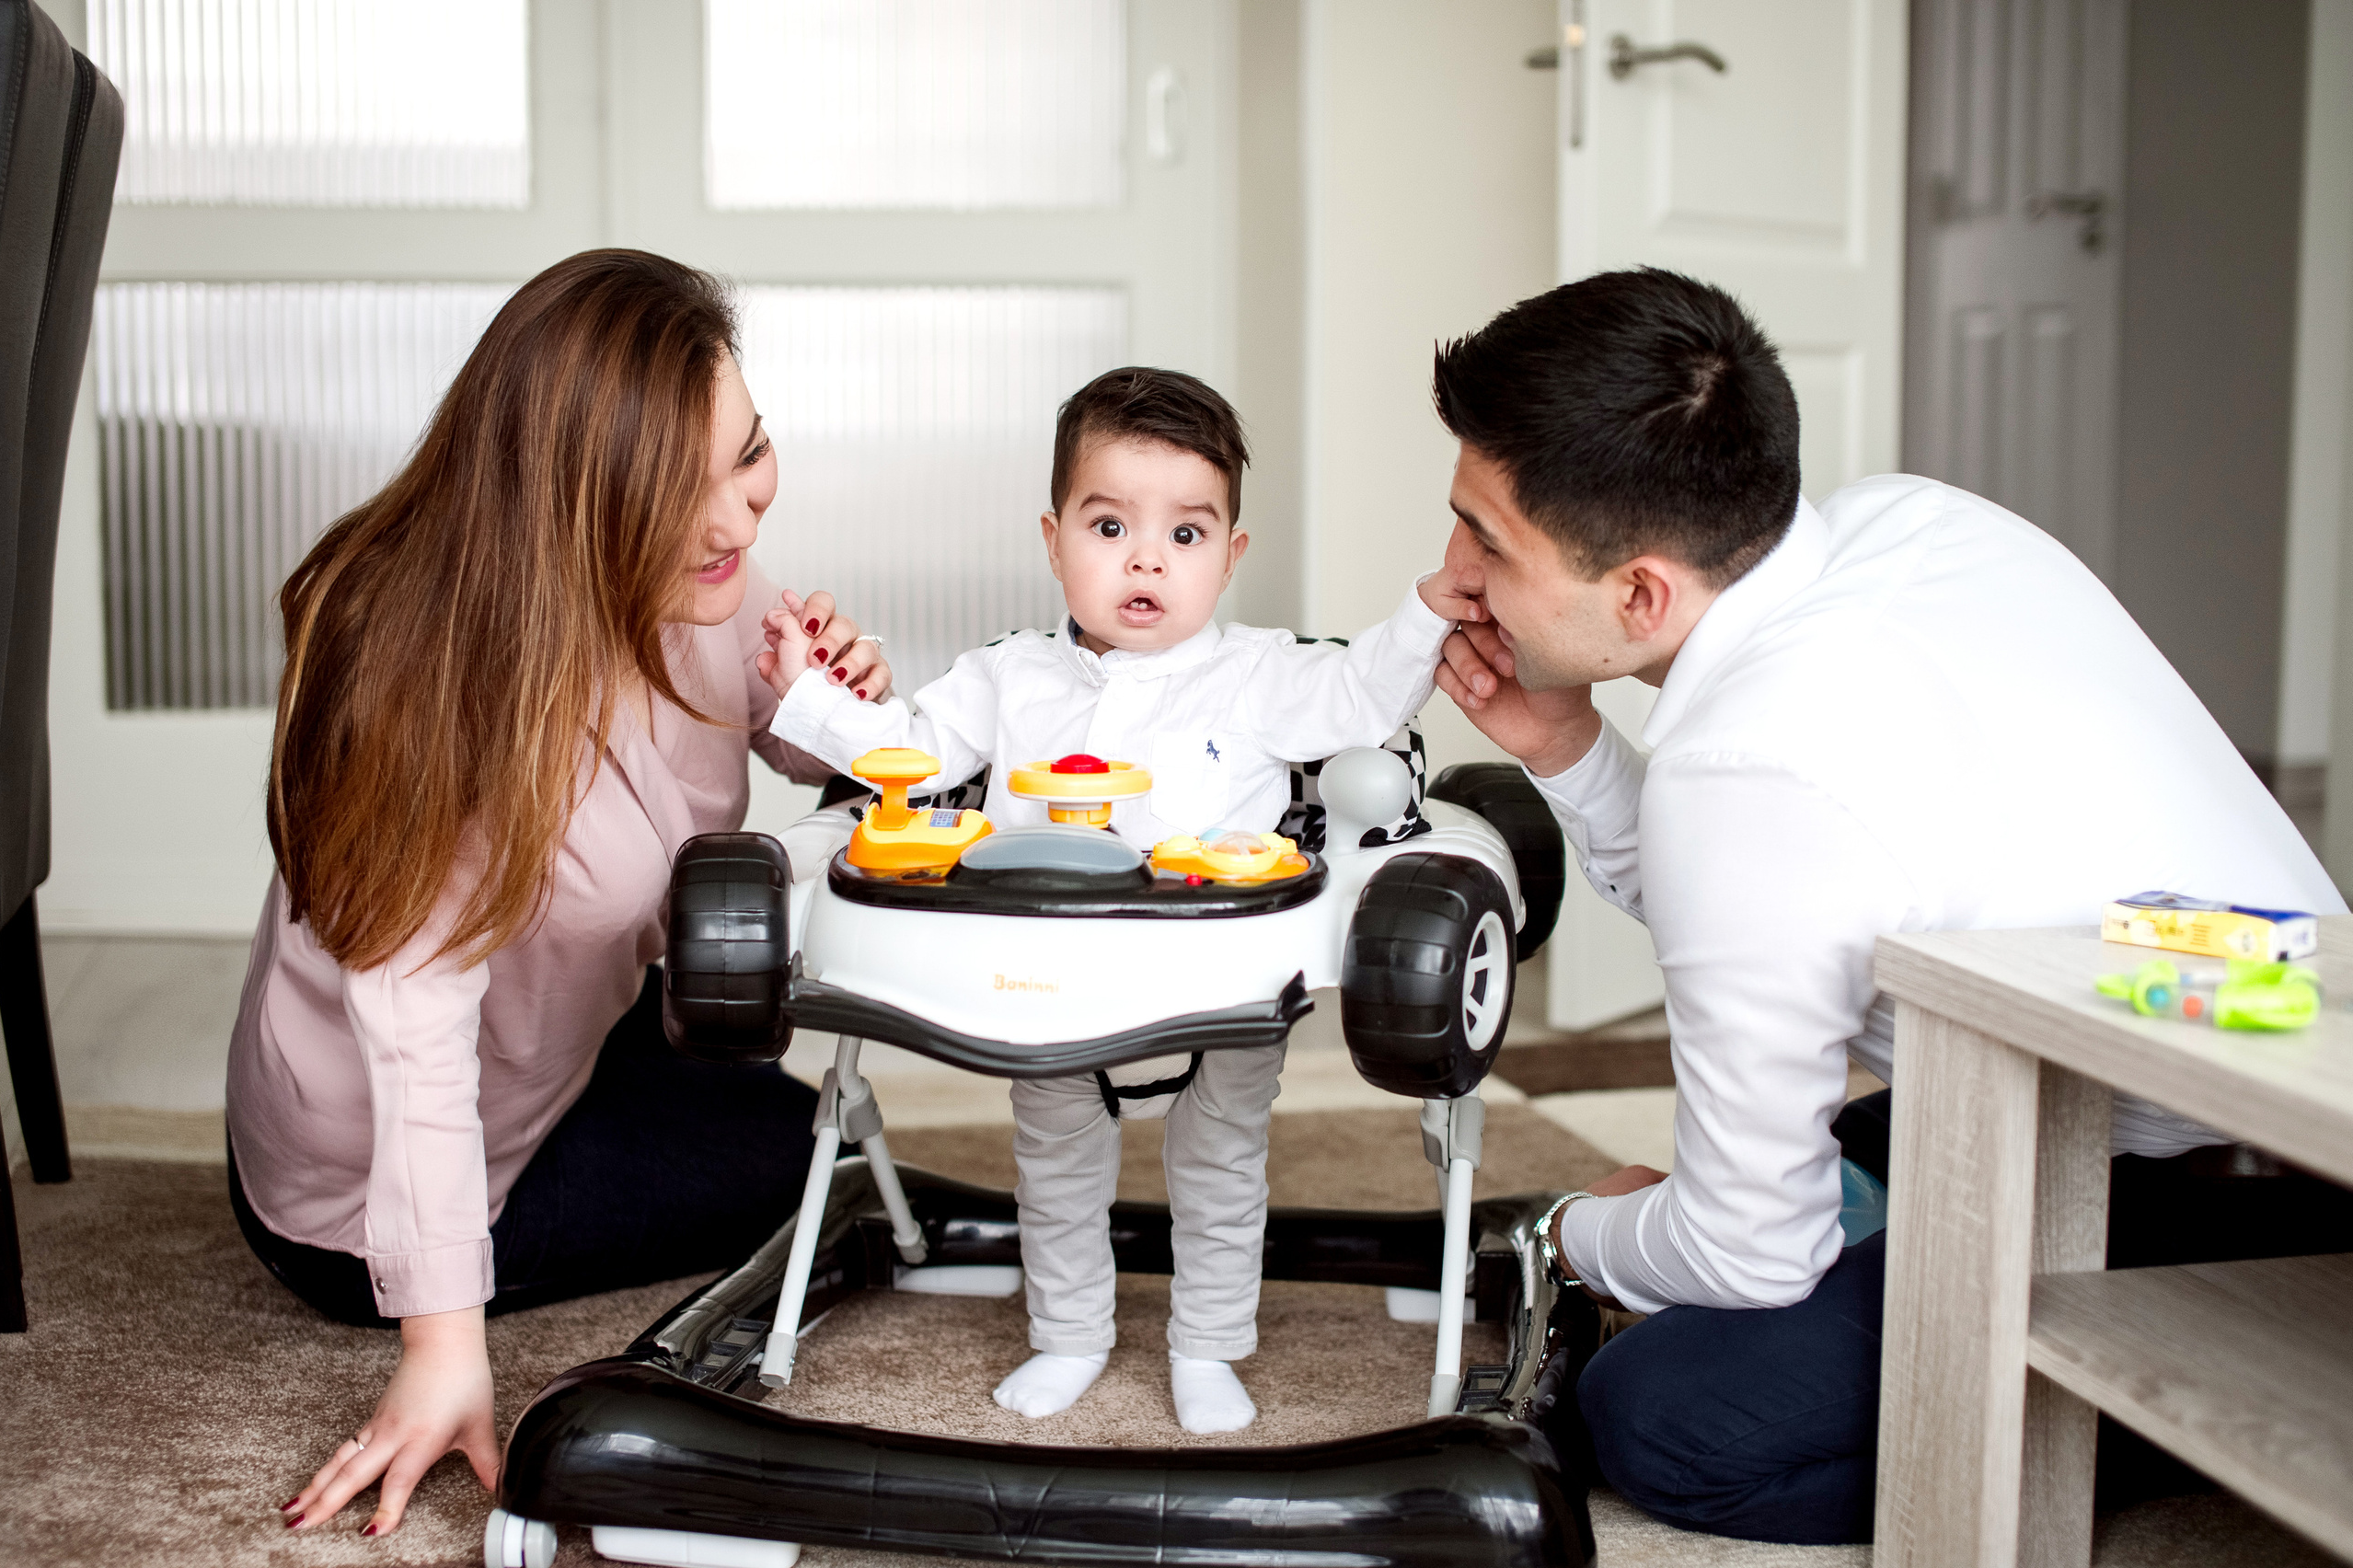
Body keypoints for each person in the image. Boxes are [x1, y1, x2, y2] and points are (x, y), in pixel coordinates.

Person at [1425, 268, 2353, 1543]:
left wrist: (1575, 1233)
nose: (1447, 577)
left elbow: (1755, 1251)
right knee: (1791, 1172)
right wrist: (1570, 748)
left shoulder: (1746, 772)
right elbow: (1765, 895)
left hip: (2226, 1169)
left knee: (1659, 1417)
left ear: (1639, 593)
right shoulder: (1911, 521)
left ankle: (2173, 1402)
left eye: (1487, 539)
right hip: (2249, 1021)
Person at [229, 249, 892, 1538]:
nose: (737, 524)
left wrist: (833, 703)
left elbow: (778, 720)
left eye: (748, 454)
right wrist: (440, 1345)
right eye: (678, 492)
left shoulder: (693, 574)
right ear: (565, 500)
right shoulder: (418, 688)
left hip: (562, 1039)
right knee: (818, 1169)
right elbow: (419, 1046)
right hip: (366, 1168)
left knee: (815, 1139)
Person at [764, 366, 1478, 1433]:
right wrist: (808, 697)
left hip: (1216, 986)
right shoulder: (1006, 676)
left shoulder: (1261, 674)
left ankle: (1206, 1346)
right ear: (1053, 541)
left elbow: (1360, 695)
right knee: (1053, 1166)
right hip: (1048, 984)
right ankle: (1070, 1334)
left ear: (1232, 557)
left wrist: (1426, 611)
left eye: (1186, 536)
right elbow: (907, 752)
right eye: (1108, 525)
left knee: (1220, 1165)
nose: (1146, 557)